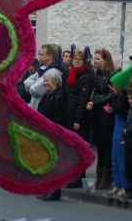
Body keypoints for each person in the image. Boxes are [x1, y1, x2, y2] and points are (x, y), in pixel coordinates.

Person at [104, 60, 132, 199]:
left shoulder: (125, 96)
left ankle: (124, 185)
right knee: (115, 156)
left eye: (115, 85)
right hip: (117, 124)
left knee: (121, 157)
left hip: (122, 124)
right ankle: (117, 183)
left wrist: (114, 104)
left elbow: (120, 109)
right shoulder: (118, 95)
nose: (113, 87)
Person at [36, 68, 70, 201]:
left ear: (55, 82)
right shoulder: (47, 95)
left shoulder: (59, 97)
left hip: (54, 135)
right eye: (44, 80)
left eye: (47, 81)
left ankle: (54, 192)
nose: (45, 83)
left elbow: (61, 119)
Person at [86, 48, 116, 190]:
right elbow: (94, 90)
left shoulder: (112, 75)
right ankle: (99, 175)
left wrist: (95, 102)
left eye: (98, 58)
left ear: (105, 60)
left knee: (106, 144)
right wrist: (91, 101)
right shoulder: (96, 74)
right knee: (99, 144)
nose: (95, 61)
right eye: (95, 58)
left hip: (106, 112)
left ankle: (107, 177)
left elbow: (111, 94)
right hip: (96, 111)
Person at [65, 48, 93, 188]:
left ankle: (79, 177)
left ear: (84, 62)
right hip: (70, 114)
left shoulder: (86, 77)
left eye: (79, 59)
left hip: (80, 118)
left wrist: (78, 119)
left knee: (79, 148)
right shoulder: (71, 74)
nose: (76, 61)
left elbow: (83, 100)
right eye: (75, 59)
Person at [24, 44, 68, 110]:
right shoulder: (42, 68)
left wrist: (34, 83)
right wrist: (35, 83)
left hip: (42, 105)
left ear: (50, 56)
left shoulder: (53, 71)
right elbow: (26, 83)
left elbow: (35, 90)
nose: (39, 56)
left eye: (42, 54)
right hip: (35, 104)